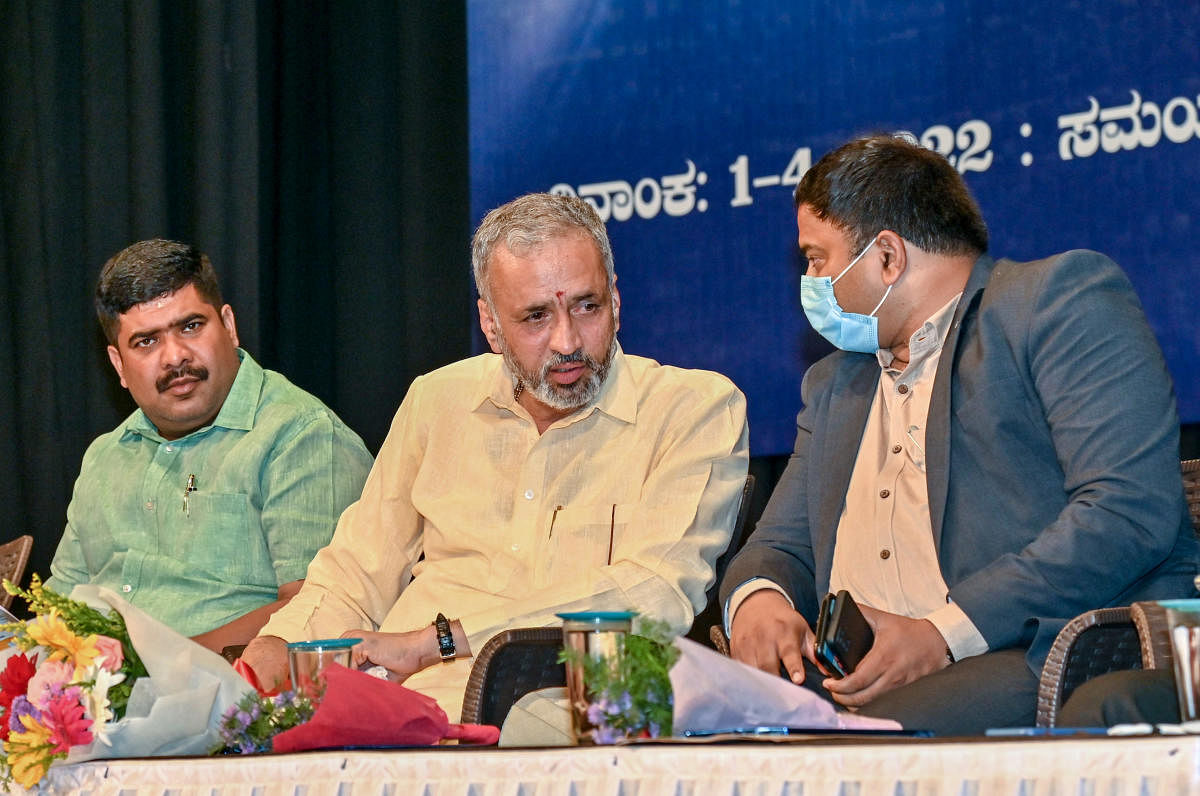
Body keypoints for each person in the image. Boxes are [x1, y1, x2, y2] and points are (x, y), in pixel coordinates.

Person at [720, 134, 1199, 735]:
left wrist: (941, 635)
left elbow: (1128, 510)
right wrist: (759, 598)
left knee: (839, 752)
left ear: (887, 256)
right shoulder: (835, 383)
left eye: (817, 260)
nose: (810, 281)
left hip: (1025, 650)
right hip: (852, 674)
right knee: (689, 732)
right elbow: (778, 547)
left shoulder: (1052, 302)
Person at [239, 192, 749, 718]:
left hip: (558, 718)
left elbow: (655, 593)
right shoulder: (436, 401)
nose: (567, 340)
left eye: (587, 306)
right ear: (490, 325)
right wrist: (279, 646)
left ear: (616, 301)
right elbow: (357, 571)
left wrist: (437, 641)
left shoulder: (695, 409)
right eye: (535, 317)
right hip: (393, 715)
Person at [48, 239, 373, 653]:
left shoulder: (300, 435)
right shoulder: (106, 457)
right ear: (118, 365)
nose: (175, 356)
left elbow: (318, 608)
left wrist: (158, 666)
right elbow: (56, 611)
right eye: (146, 342)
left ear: (229, 326)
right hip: (96, 700)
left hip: (237, 698)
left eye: (190, 326)